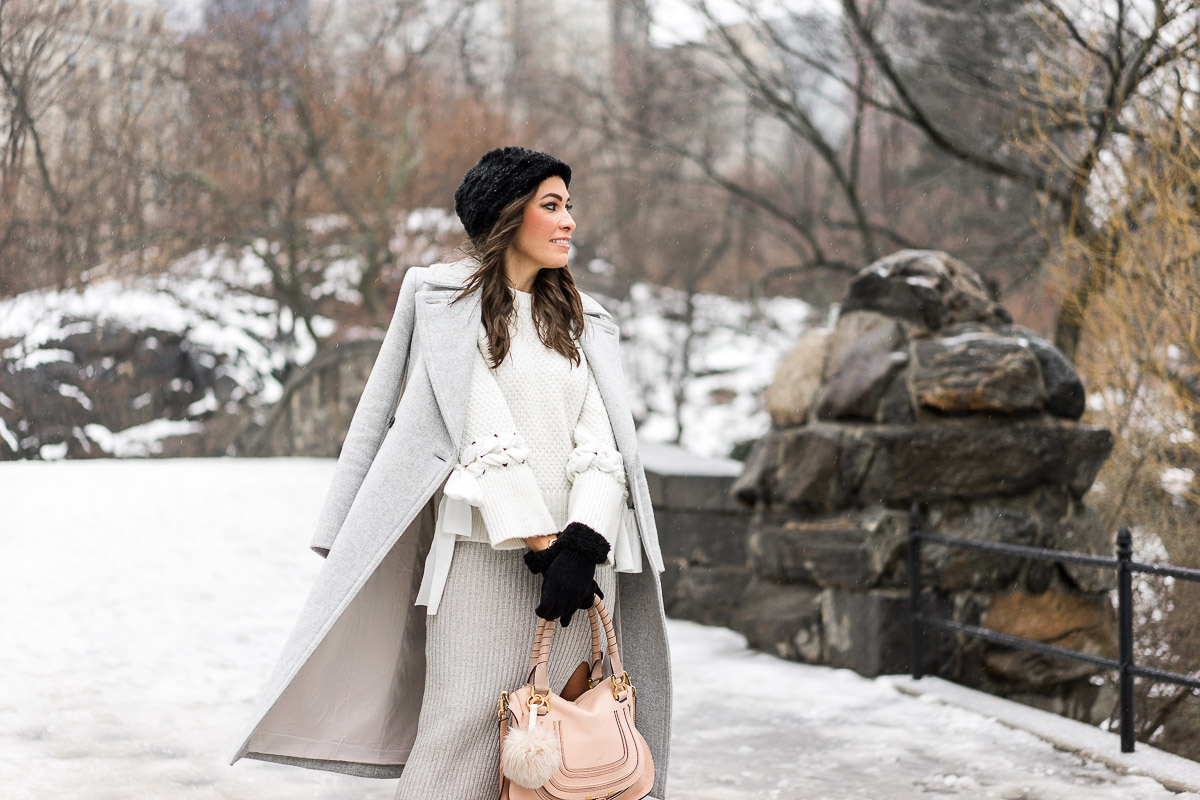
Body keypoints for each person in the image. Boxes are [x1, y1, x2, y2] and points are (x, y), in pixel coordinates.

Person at [226, 146, 672, 800]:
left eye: (569, 206)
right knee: (461, 733)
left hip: (583, 566)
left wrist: (581, 542)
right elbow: (485, 434)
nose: (569, 220)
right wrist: (544, 546)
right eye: (551, 206)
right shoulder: (450, 308)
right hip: (486, 559)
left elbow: (602, 447)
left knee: (566, 747)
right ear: (507, 215)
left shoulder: (580, 323)